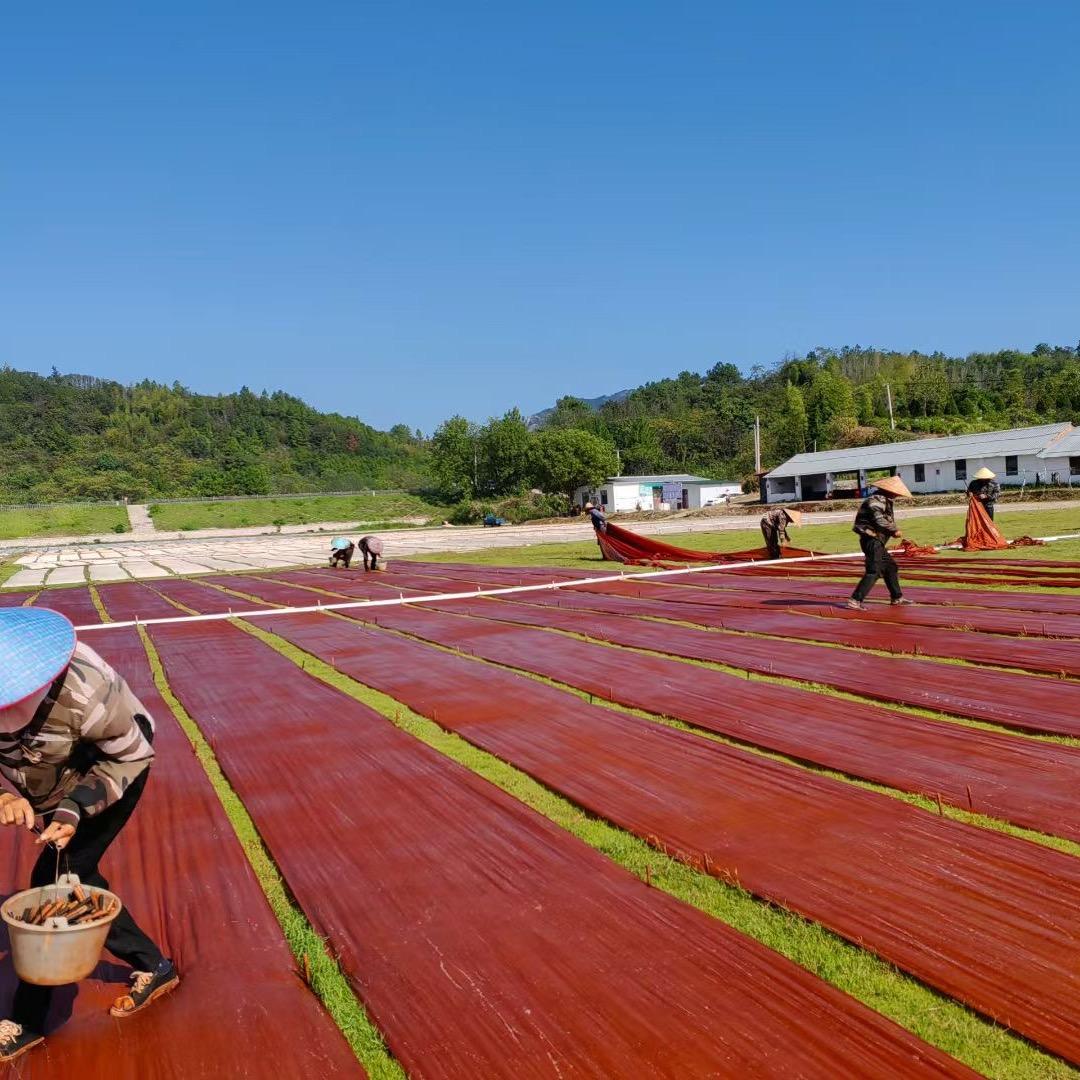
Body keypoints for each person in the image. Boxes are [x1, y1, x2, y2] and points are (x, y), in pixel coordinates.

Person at [0, 609, 178, 1063]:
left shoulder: (87, 691)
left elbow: (130, 755)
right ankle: (154, 965)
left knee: (54, 882)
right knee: (80, 877)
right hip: (42, 776)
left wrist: (74, 808)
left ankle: (29, 1017)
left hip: (108, 772)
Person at [847, 476, 914, 610]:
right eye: (896, 492)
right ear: (890, 490)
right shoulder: (876, 500)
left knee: (890, 567)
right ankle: (855, 600)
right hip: (871, 540)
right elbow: (879, 520)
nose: (897, 495)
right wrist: (894, 530)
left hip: (877, 541)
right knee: (874, 571)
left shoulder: (884, 500)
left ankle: (896, 597)